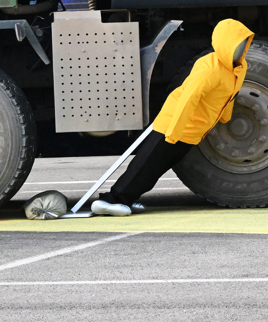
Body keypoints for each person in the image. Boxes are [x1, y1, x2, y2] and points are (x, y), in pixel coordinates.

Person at [91, 19, 255, 216]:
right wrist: (173, 131)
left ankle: (128, 198)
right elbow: (188, 99)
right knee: (145, 165)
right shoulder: (210, 68)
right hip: (173, 125)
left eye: (244, 43)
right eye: (236, 43)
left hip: (192, 132)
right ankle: (111, 200)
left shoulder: (238, 69)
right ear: (224, 44)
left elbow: (230, 97)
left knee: (156, 170)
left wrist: (225, 118)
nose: (240, 48)